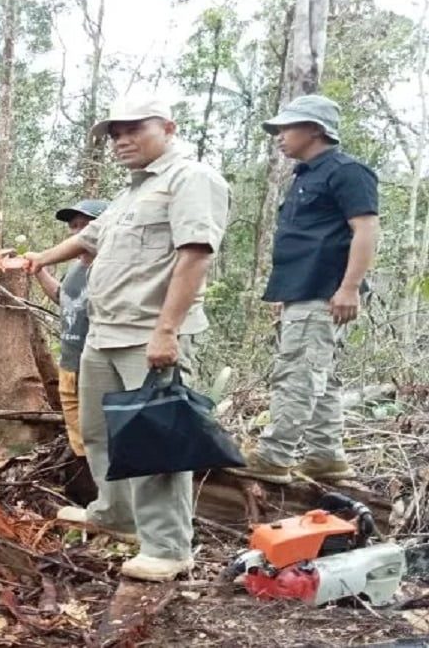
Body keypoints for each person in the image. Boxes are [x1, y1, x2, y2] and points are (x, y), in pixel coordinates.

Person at [22, 98, 229, 582]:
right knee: (99, 431)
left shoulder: (191, 179)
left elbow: (195, 255)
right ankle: (115, 513)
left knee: (155, 442)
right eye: (115, 134)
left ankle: (168, 547)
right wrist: (38, 259)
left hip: (148, 334)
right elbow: (89, 240)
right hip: (105, 332)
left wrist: (166, 330)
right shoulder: (133, 191)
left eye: (134, 129)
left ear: (168, 128)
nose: (121, 141)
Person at [227, 95, 379, 485]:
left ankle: (274, 456)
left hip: (326, 290)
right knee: (319, 375)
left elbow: (365, 229)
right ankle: (326, 457)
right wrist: (287, 295)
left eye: (286, 128)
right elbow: (304, 241)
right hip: (304, 290)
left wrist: (349, 287)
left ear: (314, 129)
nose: (279, 137)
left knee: (297, 372)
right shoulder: (304, 176)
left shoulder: (347, 172)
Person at [30, 199, 109, 458]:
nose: (77, 232)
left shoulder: (112, 268)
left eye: (85, 225)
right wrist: (39, 269)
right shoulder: (75, 268)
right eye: (73, 226)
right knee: (80, 440)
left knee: (103, 438)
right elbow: (63, 297)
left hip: (98, 366)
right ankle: (87, 477)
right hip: (69, 366)